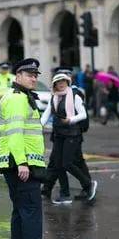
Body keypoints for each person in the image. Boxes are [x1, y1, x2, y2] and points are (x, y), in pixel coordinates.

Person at [0, 58, 59, 239]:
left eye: (35, 75)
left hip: (14, 163)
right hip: (21, 164)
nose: (34, 78)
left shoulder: (18, 97)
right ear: (18, 76)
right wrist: (22, 162)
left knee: (20, 212)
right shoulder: (17, 100)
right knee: (31, 212)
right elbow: (15, 134)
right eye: (29, 74)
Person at [41, 72, 97, 205]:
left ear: (67, 82)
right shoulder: (54, 97)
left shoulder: (75, 95)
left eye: (63, 81)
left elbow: (83, 115)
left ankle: (88, 184)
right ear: (54, 85)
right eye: (58, 82)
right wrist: (37, 127)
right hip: (59, 134)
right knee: (59, 165)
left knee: (67, 163)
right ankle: (64, 194)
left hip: (72, 134)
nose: (61, 84)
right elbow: (46, 114)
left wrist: (70, 120)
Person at [0, 62, 15, 150]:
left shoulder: (12, 78)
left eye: (6, 68)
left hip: (9, 104)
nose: (4, 70)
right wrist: (0, 95)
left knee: (9, 125)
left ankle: (7, 144)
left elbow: (13, 90)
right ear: (0, 68)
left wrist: (2, 94)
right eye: (3, 68)